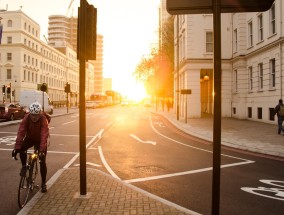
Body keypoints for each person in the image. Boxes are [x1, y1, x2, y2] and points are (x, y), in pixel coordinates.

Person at [12, 102, 49, 193]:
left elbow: (44, 135)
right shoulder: (27, 118)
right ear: (30, 113)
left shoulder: (43, 119)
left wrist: (42, 150)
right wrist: (17, 147)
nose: (34, 117)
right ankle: (24, 167)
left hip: (40, 140)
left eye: (36, 115)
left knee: (42, 161)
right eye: (32, 115)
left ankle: (43, 183)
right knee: (21, 149)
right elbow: (21, 131)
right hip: (30, 138)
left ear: (40, 113)